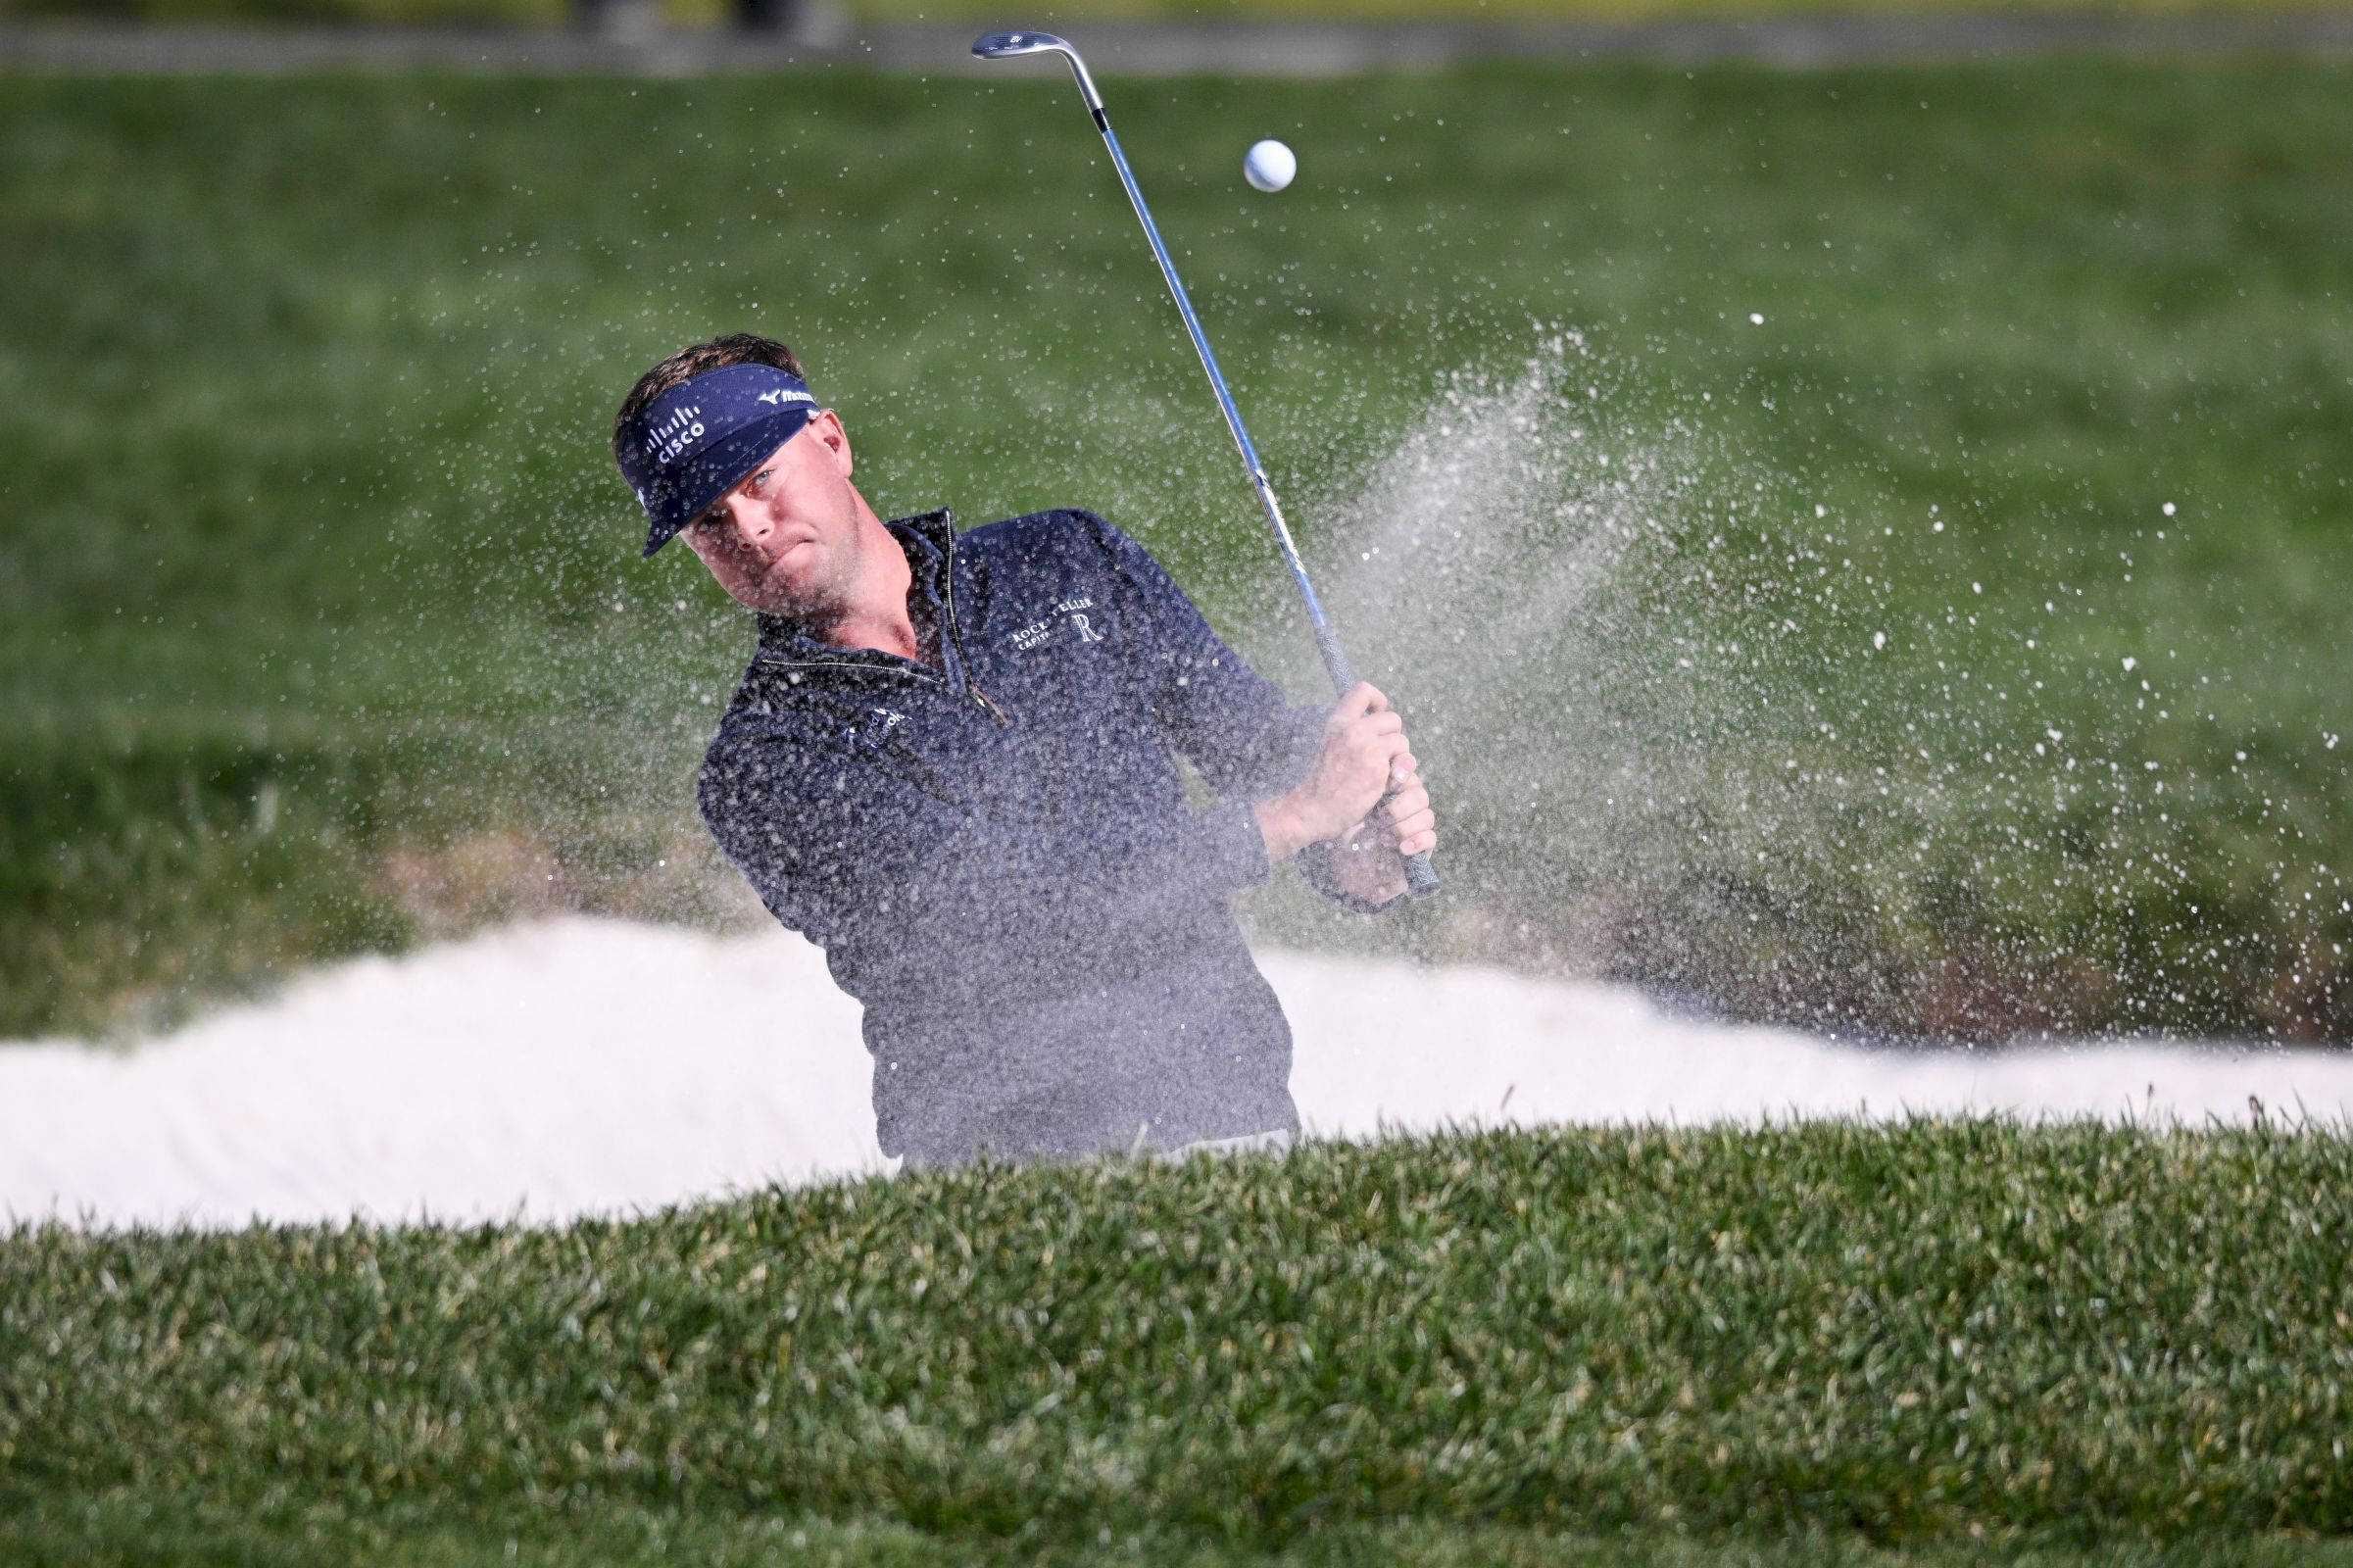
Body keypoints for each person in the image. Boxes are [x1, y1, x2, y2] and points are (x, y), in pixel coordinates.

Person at [612, 333, 1437, 1166]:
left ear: (830, 441)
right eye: (708, 521)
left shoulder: (1066, 559)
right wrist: (1293, 819)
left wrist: (1358, 851)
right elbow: (1008, 916)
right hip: (1008, 1162)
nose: (749, 527)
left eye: (759, 479)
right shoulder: (761, 762)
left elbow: (1257, 748)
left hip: (1230, 1107)